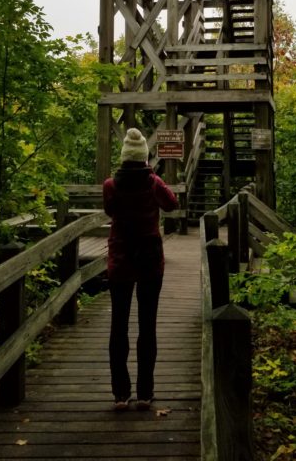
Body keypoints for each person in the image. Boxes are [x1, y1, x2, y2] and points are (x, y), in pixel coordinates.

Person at [103, 127, 178, 411]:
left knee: (118, 327)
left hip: (121, 259)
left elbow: (110, 211)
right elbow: (171, 204)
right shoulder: (154, 183)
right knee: (148, 327)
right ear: (144, 157)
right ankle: (145, 392)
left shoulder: (111, 185)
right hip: (149, 259)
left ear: (123, 157)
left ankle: (121, 393)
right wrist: (155, 176)